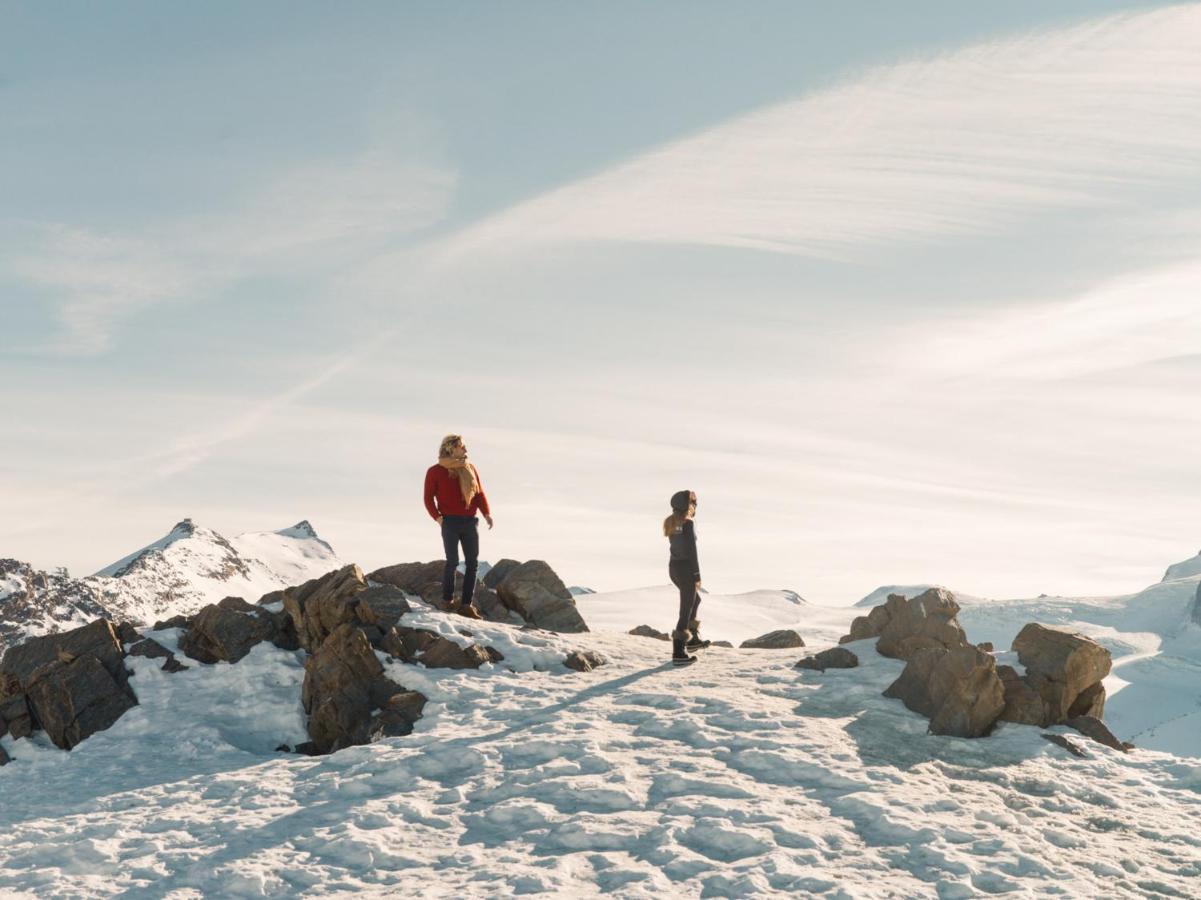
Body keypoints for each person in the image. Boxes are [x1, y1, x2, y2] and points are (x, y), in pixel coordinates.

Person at [423, 434, 494, 619]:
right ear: (450, 448)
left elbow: (478, 493)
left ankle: (466, 605)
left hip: (470, 522)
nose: (465, 450)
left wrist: (486, 513)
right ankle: (447, 601)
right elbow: (428, 498)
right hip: (449, 522)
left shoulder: (469, 469)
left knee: (472, 564)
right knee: (452, 561)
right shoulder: (435, 471)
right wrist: (438, 518)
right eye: (462, 446)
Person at [664, 489, 709, 666]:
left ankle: (691, 641)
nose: (695, 505)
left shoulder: (671, 522)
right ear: (686, 505)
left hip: (674, 568)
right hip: (686, 569)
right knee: (686, 609)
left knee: (695, 601)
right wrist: (697, 575)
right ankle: (678, 653)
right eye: (693, 502)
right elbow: (692, 552)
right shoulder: (687, 523)